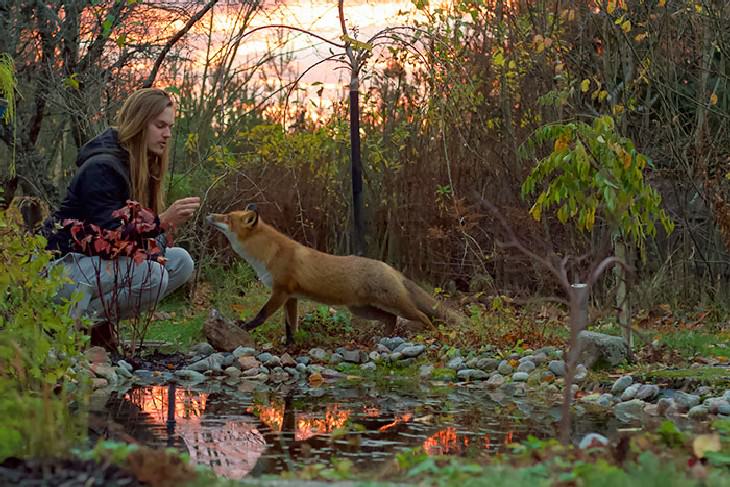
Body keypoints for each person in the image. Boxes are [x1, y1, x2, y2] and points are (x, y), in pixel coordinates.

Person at [41, 87, 200, 347]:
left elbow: (141, 243)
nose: (167, 134)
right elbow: (110, 240)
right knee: (153, 275)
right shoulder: (102, 167)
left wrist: (156, 238)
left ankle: (91, 325)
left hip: (93, 268)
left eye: (170, 126)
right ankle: (66, 327)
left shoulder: (141, 166)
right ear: (139, 123)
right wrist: (162, 222)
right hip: (61, 271)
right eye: (160, 125)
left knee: (181, 262)